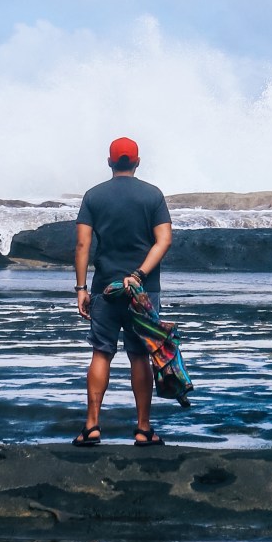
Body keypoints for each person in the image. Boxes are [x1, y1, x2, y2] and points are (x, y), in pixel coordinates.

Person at [72, 136, 172, 446]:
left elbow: (83, 245)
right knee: (139, 356)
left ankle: (92, 427)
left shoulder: (93, 196)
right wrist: (140, 274)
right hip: (142, 292)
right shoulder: (152, 196)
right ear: (138, 162)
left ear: (110, 162)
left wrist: (80, 288)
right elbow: (164, 240)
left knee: (101, 353)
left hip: (105, 288)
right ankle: (143, 429)